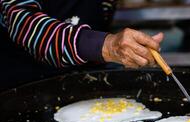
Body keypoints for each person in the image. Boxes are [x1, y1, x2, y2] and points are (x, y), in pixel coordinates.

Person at [0, 0, 164, 90]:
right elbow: (24, 24)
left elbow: (99, 24)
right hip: (21, 93)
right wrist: (108, 46)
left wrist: (129, 51)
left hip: (81, 89)